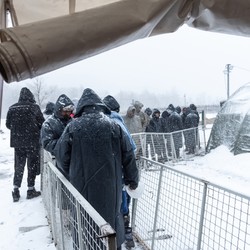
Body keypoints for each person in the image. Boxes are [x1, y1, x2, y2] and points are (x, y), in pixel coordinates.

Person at [55, 88, 139, 250]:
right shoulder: (114, 126)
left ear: (81, 107)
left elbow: (61, 155)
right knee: (111, 222)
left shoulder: (73, 127)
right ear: (100, 106)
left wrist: (73, 173)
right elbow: (129, 156)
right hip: (110, 187)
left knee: (85, 223)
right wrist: (132, 180)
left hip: (81, 188)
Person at [103, 95, 137, 248]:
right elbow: (131, 148)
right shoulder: (119, 123)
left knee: (115, 205)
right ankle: (126, 235)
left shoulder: (107, 123)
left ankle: (114, 237)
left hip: (111, 174)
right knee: (124, 205)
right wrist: (132, 177)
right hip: (122, 172)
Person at [6, 87, 45, 202]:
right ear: (30, 96)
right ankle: (30, 189)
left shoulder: (12, 108)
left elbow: (8, 125)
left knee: (18, 166)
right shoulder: (34, 107)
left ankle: (16, 190)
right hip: (32, 141)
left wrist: (18, 130)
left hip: (17, 143)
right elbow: (41, 123)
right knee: (31, 165)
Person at [40, 94, 74, 161]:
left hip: (72, 158)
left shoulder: (73, 121)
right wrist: (65, 143)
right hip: (56, 159)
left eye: (69, 111)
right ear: (59, 110)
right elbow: (47, 143)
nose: (68, 113)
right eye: (65, 111)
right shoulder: (49, 123)